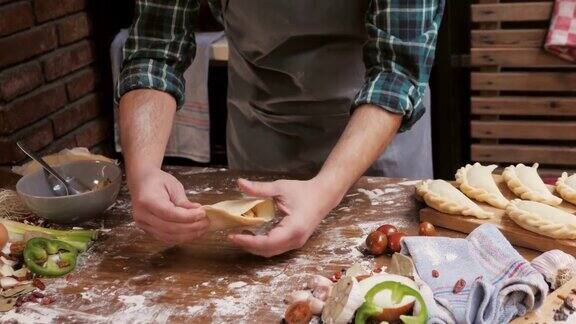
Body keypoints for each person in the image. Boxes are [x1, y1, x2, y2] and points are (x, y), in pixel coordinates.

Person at [116, 0, 445, 257]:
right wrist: (143, 173)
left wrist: (323, 190)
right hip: (261, 132)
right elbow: (154, 51)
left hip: (376, 145)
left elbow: (396, 74)